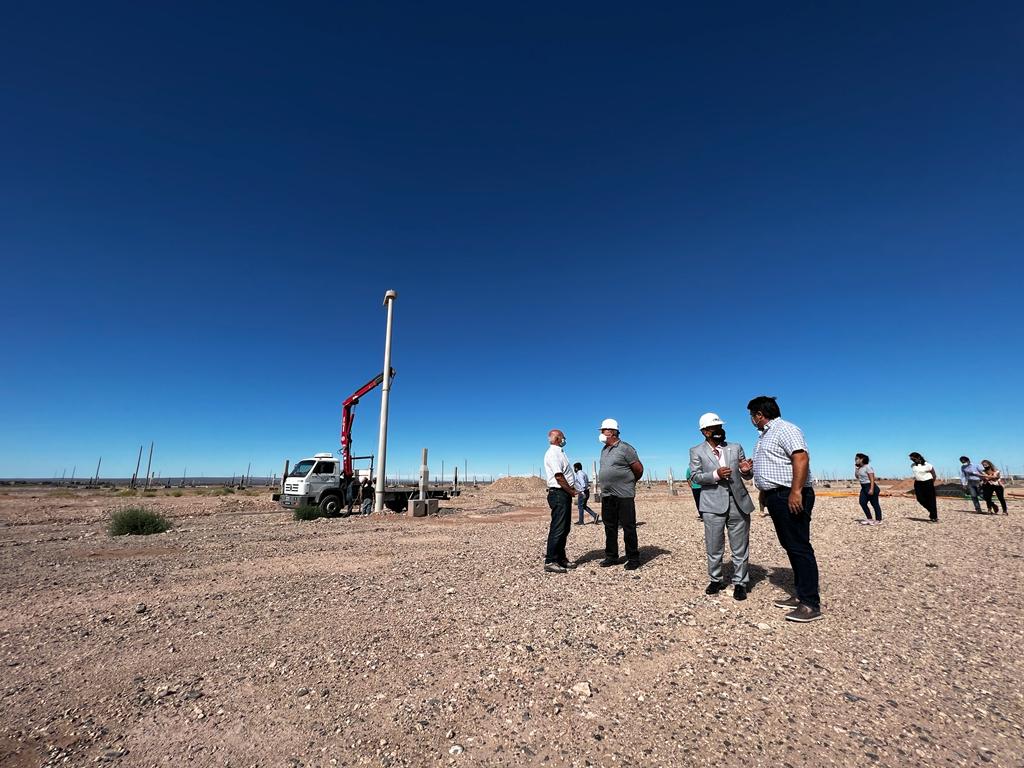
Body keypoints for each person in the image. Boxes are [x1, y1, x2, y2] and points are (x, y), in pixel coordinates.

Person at [748, 396, 823, 623]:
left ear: (759, 415)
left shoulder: (785, 429)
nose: (751, 420)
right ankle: (800, 595)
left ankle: (810, 604)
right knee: (790, 545)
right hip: (776, 496)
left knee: (799, 547)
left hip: (788, 494)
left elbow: (800, 457)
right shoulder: (765, 435)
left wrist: (796, 491)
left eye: (752, 415)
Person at [688, 412, 754, 600]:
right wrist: (715, 474)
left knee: (740, 546)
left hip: (738, 503)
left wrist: (746, 471)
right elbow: (695, 477)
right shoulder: (696, 451)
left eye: (720, 427)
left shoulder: (735, 447)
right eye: (714, 428)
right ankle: (715, 579)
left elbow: (746, 474)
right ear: (705, 432)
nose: (719, 430)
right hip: (712, 505)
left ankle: (740, 582)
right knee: (714, 545)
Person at [597, 418, 644, 571]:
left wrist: (629, 483)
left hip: (624, 495)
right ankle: (611, 556)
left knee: (628, 527)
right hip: (607, 495)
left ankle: (633, 558)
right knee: (609, 526)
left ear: (611, 432)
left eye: (603, 430)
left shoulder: (626, 448)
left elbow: (638, 469)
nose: (601, 433)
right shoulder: (604, 450)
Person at [543, 429, 579, 573]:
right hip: (559, 493)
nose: (565, 440)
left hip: (563, 494)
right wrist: (571, 491)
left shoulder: (559, 452)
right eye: (563, 437)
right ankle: (550, 560)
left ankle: (560, 558)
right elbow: (559, 476)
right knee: (558, 527)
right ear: (558, 438)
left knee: (564, 527)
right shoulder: (553, 453)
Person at [909, 452, 938, 522]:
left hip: (927, 482)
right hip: (918, 483)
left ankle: (934, 517)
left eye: (913, 459)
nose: (912, 461)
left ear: (918, 458)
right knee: (920, 499)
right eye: (911, 459)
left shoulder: (928, 465)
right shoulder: (912, 465)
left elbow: (934, 475)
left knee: (931, 500)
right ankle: (931, 510)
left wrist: (931, 483)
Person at [854, 453, 883, 525]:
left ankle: (878, 520)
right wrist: (856, 469)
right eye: (855, 459)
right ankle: (869, 518)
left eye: (857, 459)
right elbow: (857, 477)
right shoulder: (859, 468)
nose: (855, 460)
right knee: (862, 503)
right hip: (863, 487)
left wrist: (871, 489)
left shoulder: (868, 467)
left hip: (870, 486)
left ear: (862, 459)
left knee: (874, 504)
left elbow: (872, 479)